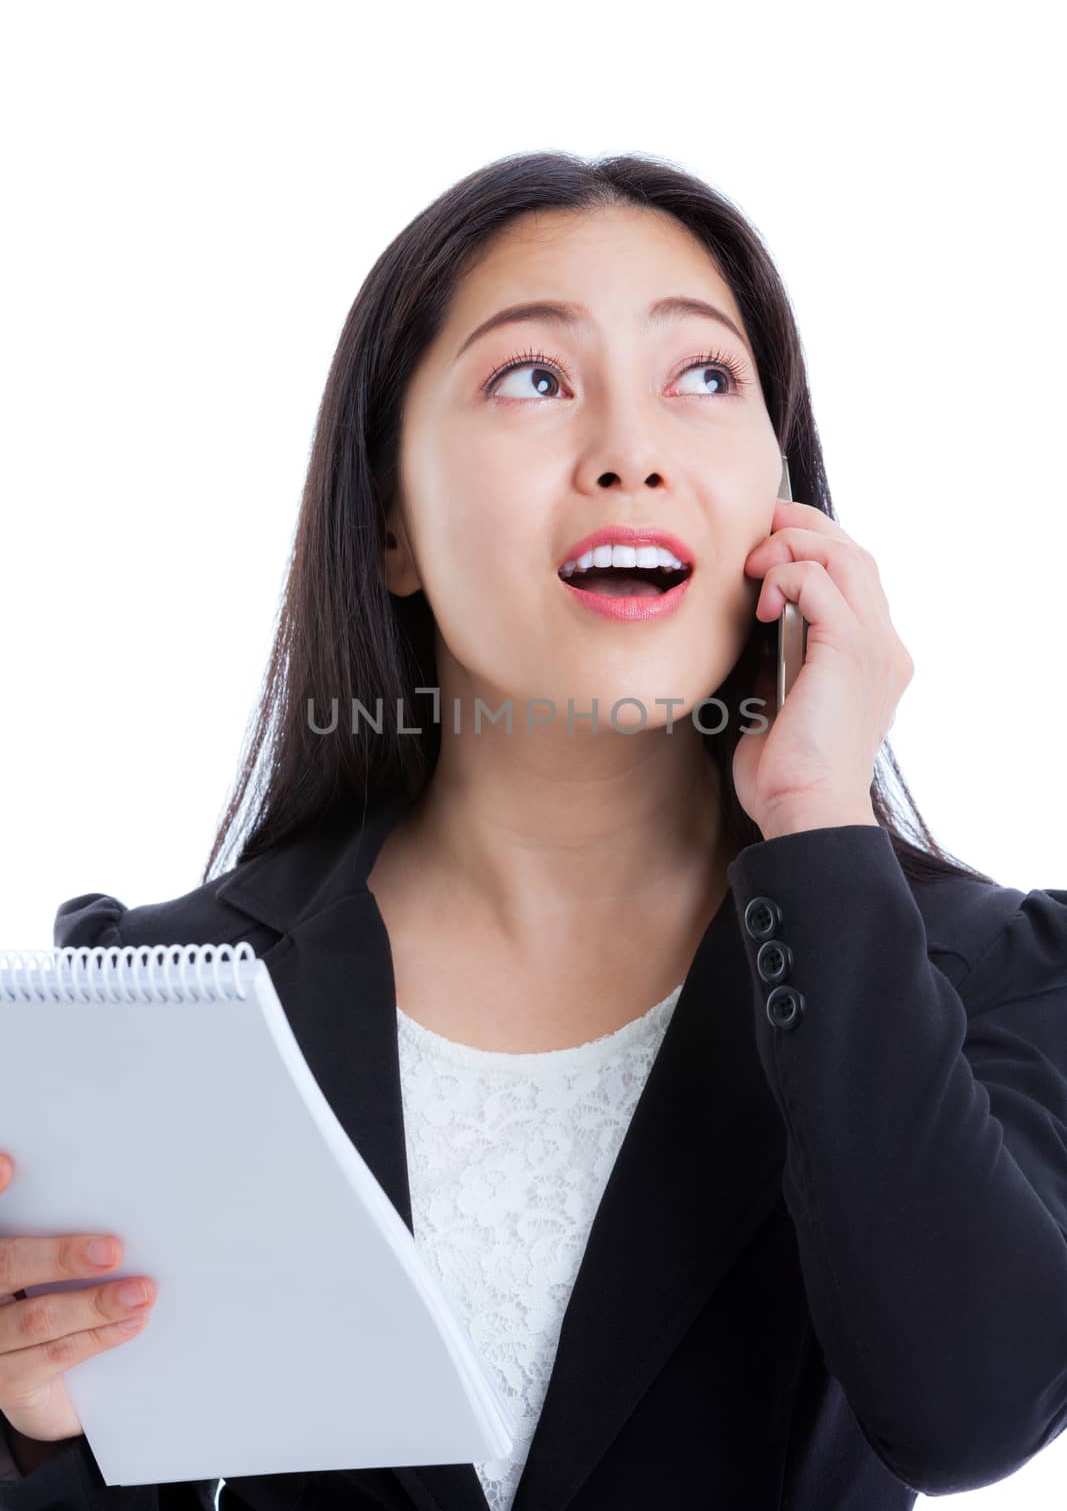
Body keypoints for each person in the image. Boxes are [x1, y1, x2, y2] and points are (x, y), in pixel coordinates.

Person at [2, 150, 1066, 1511]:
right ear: (389, 521)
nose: (633, 450)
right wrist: (39, 1432)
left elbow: (969, 1410)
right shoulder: (164, 1004)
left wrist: (818, 820)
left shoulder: (990, 976)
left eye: (704, 379)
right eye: (533, 379)